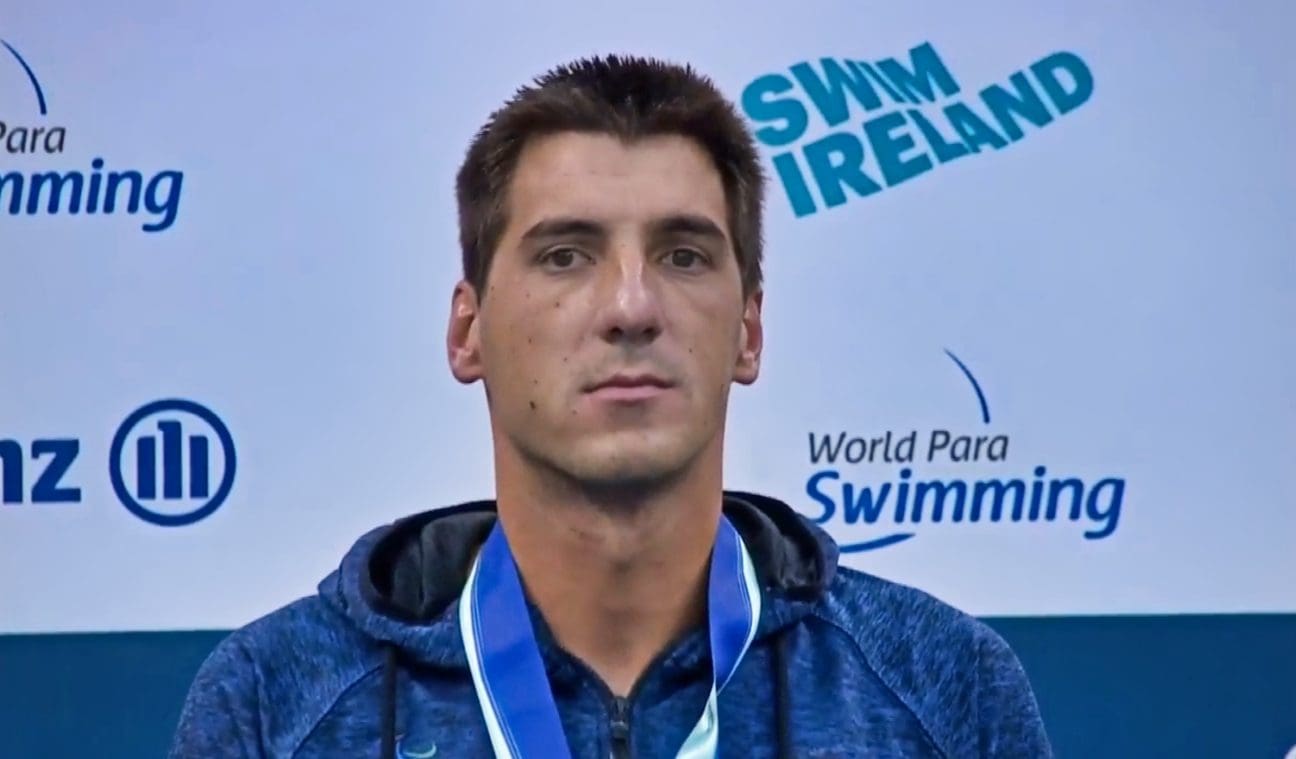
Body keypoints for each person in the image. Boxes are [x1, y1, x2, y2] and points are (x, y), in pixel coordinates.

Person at [170, 54, 1052, 758]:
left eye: (683, 256)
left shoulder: (947, 690)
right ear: (468, 333)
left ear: (748, 332)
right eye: (565, 255)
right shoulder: (271, 702)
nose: (631, 306)